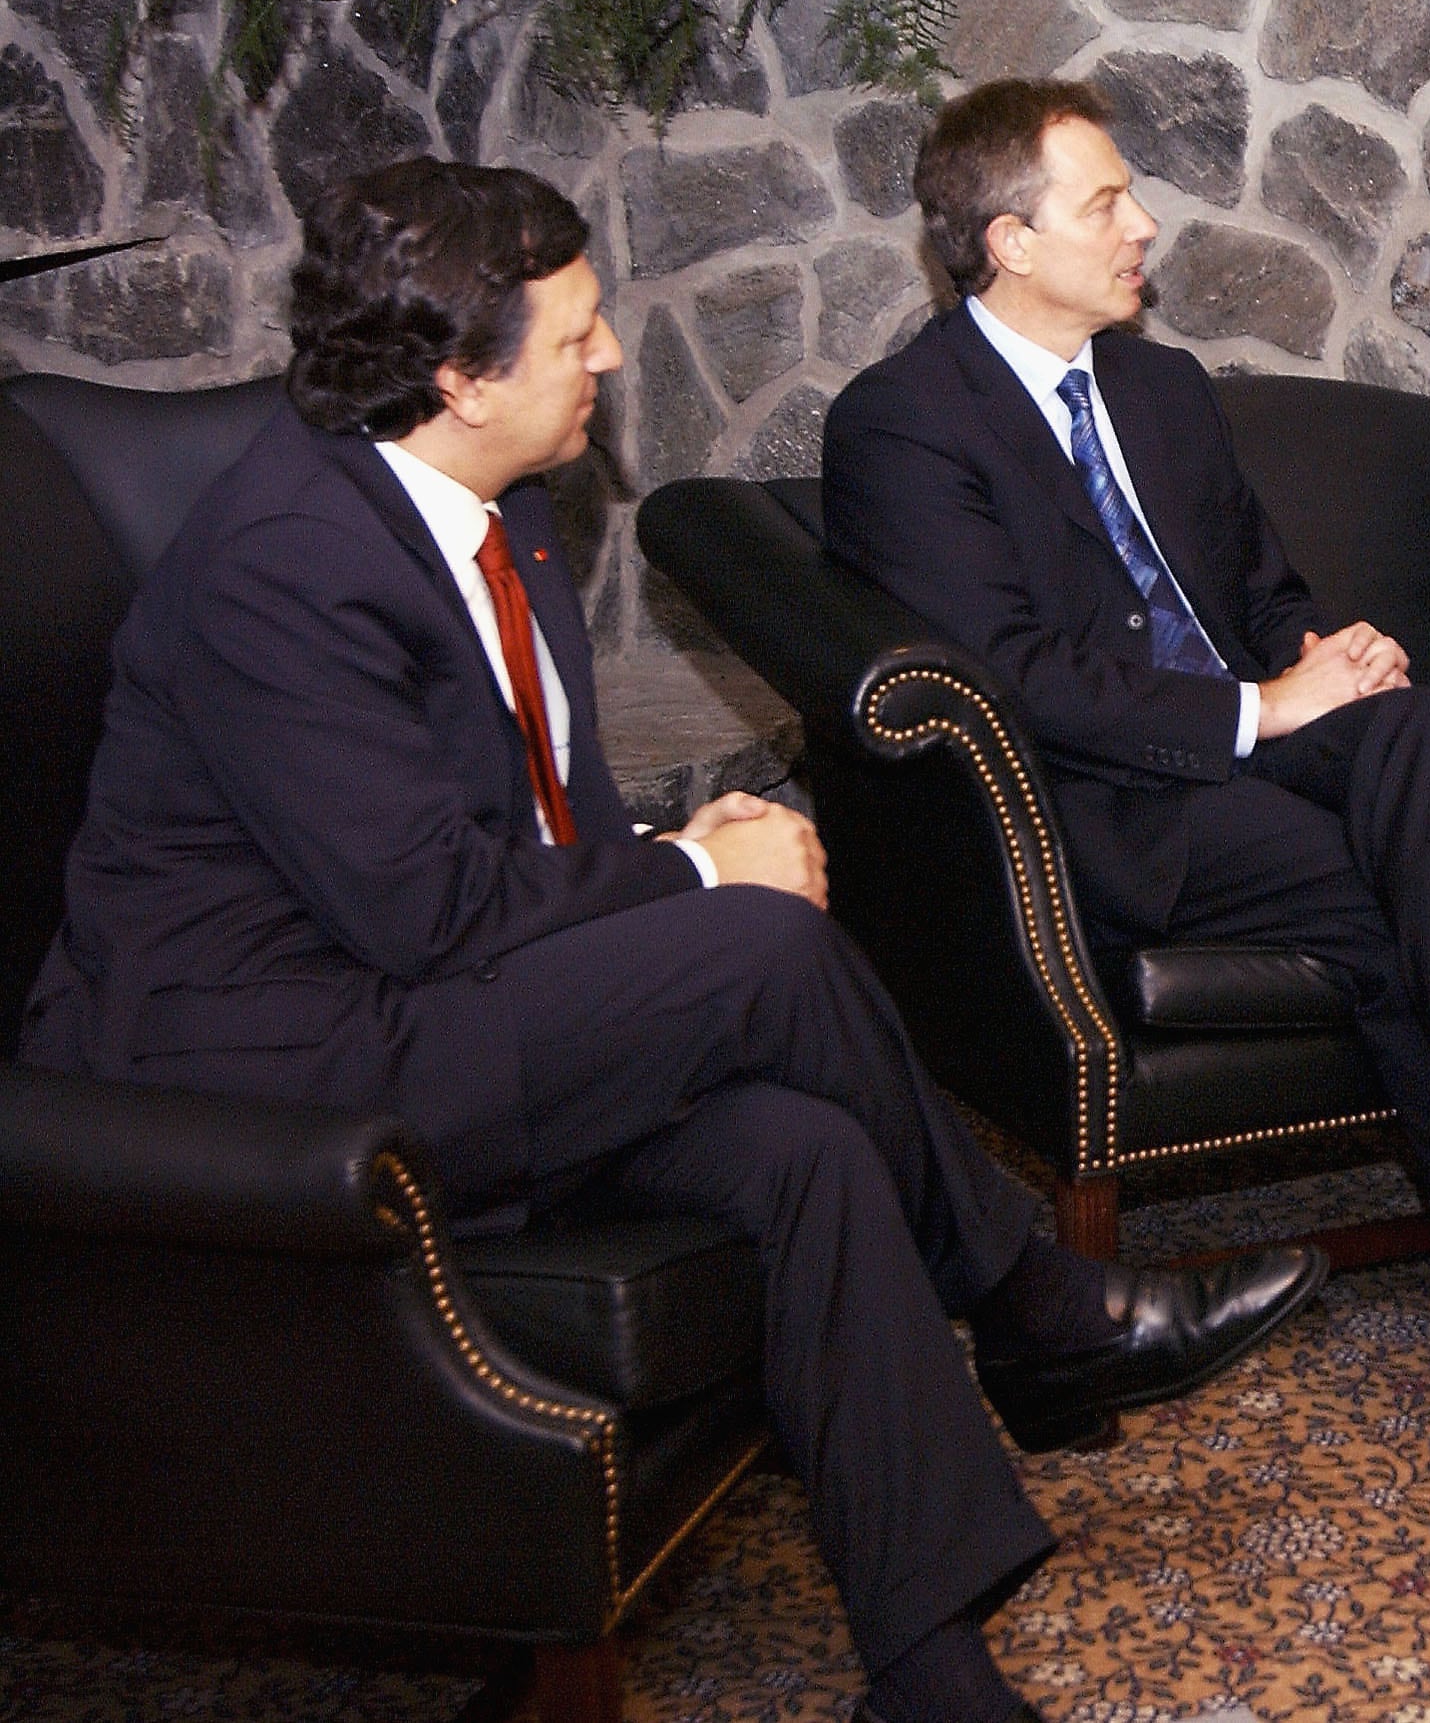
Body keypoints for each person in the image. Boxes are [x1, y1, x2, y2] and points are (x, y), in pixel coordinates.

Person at [18, 159, 1329, 1723]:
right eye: (574, 335)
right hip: (264, 1072)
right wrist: (694, 869)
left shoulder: (494, 510)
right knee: (759, 949)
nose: (613, 357)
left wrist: (663, 868)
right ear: (455, 373)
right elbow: (420, 907)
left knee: (800, 1150)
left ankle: (934, 1669)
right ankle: (1032, 1298)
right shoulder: (283, 567)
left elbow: (534, 841)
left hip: (420, 1001)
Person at [820, 79, 1430, 1475]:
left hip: (1256, 728)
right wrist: (1261, 705)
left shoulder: (1160, 384)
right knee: (1394, 914)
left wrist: (1323, 651)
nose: (1144, 224)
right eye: (1106, 202)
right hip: (1110, 799)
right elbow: (1019, 674)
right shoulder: (903, 421)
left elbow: (1259, 589)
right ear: (1007, 240)